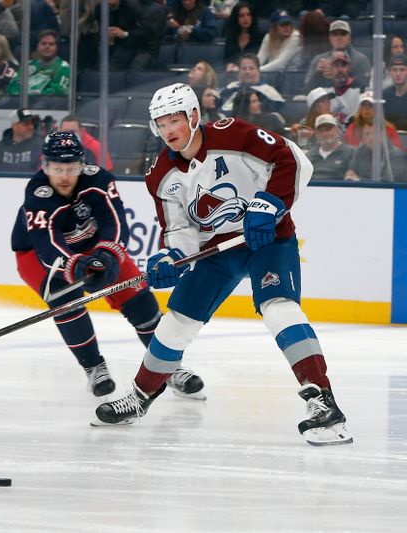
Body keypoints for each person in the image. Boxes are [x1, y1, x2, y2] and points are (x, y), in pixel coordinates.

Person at [94, 83, 352, 448]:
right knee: (176, 323)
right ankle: (138, 398)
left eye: (174, 120)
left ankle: (324, 402)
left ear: (194, 116)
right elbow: (179, 228)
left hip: (268, 238)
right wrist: (172, 257)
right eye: (160, 123)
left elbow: (293, 159)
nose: (168, 130)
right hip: (217, 251)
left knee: (279, 308)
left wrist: (270, 204)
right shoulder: (160, 176)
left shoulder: (235, 134)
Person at [11, 130, 205, 400]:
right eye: (57, 169)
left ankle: (168, 369)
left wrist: (108, 255)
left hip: (94, 246)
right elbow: (47, 244)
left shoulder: (99, 179)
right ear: (44, 166)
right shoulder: (38, 193)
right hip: (37, 255)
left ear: (82, 164)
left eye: (71, 168)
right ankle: (94, 369)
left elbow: (114, 222)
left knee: (141, 303)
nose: (64, 176)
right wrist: (76, 265)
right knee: (65, 299)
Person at [303, 19, 371, 93]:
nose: (339, 38)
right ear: (330, 39)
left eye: (343, 34)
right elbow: (306, 91)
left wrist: (338, 74)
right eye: (335, 34)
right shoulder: (318, 60)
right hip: (324, 101)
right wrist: (318, 75)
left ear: (349, 38)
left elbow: (364, 88)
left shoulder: (361, 60)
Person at [6, 30, 70, 96]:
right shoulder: (28, 65)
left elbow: (59, 91)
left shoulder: (63, 67)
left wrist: (33, 95)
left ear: (57, 48)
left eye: (51, 44)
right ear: (37, 46)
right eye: (43, 44)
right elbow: (12, 86)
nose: (47, 46)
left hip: (48, 105)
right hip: (22, 104)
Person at [217, 53, 284, 115]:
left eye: (251, 68)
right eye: (244, 68)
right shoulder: (230, 87)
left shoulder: (269, 93)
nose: (247, 72)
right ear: (239, 71)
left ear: (258, 71)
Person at [0, 107, 45, 172]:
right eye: (26, 124)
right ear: (14, 125)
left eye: (32, 123)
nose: (31, 127)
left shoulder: (41, 146)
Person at [306, 113, 354, 180]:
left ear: (337, 130)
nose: (325, 133)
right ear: (316, 134)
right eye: (321, 130)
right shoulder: (308, 156)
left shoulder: (352, 153)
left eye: (328, 129)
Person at [223, 2, 263, 70]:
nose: (246, 18)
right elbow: (227, 59)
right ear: (236, 18)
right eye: (241, 15)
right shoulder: (230, 37)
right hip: (232, 71)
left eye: (248, 15)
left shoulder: (260, 37)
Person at [383, 54, 407, 132]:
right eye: (395, 70)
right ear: (390, 72)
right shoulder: (384, 95)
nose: (398, 74)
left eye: (402, 70)